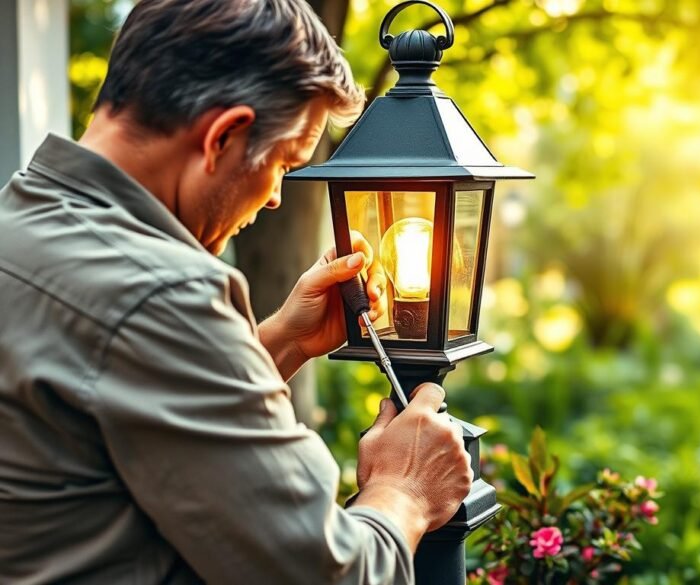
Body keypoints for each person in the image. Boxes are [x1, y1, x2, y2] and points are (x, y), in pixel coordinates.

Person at [0, 0, 473, 583]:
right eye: (282, 162)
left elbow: (125, 400)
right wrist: (406, 490)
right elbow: (325, 573)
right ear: (223, 137)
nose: (275, 197)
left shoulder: (20, 221)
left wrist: (282, 343)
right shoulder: (162, 294)